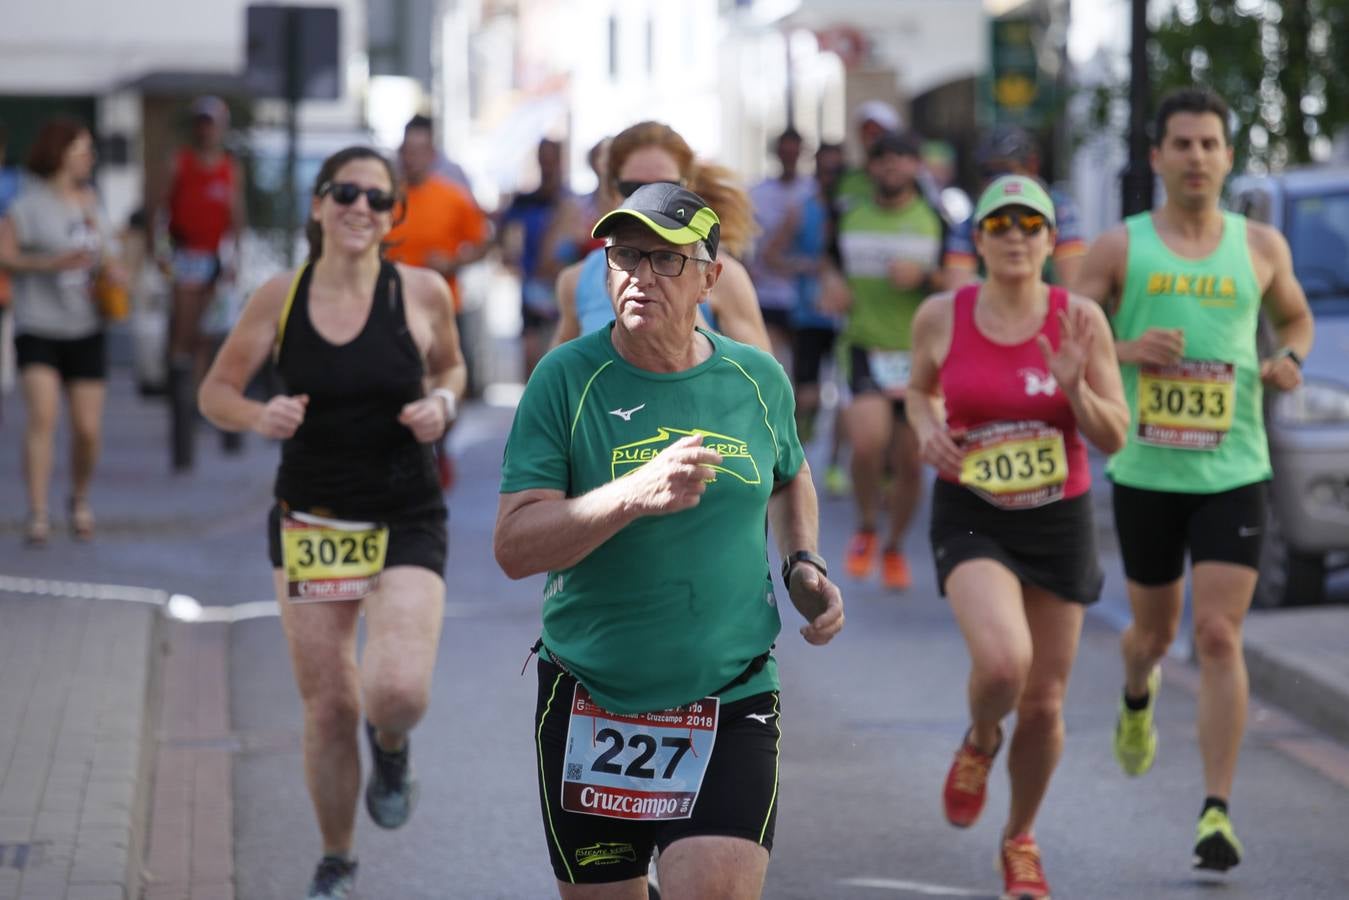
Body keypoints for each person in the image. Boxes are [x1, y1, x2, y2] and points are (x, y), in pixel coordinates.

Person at [495, 182, 843, 900]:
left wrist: (802, 560)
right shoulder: (565, 380)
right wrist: (630, 494)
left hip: (730, 691)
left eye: (664, 259)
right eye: (624, 255)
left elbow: (788, 475)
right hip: (592, 696)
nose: (639, 275)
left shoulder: (756, 378)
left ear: (711, 278)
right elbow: (513, 547)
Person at [198, 146, 466, 900]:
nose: (360, 207)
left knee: (396, 692)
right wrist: (259, 412)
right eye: (344, 192)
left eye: (377, 199)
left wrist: (441, 404)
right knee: (329, 703)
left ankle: (391, 746)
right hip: (312, 519)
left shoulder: (421, 292)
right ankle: (337, 858)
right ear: (318, 205)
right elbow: (214, 391)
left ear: (393, 217)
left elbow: (451, 368)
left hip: (405, 510)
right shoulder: (279, 296)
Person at [1073, 86, 1314, 873]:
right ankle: (1136, 693)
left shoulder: (1259, 246)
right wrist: (1127, 348)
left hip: (1232, 468)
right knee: (1150, 635)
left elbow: (1296, 319)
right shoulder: (1120, 245)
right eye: (1181, 144)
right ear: (1157, 157)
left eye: (1209, 144)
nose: (1196, 158)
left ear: (1228, 155)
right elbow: (1068, 323)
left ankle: (1216, 811)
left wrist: (1289, 362)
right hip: (1146, 468)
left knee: (1216, 634)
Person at [907, 175, 1128, 899]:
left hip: (1056, 516)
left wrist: (1074, 386)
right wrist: (927, 428)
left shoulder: (1078, 318)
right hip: (972, 508)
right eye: (996, 223)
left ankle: (1019, 837)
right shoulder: (942, 314)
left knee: (1043, 702)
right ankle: (978, 739)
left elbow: (1114, 435)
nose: (1011, 236)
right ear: (977, 240)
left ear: (1046, 239)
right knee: (1004, 667)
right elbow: (917, 390)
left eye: (1026, 224)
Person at [0, 116, 123, 545]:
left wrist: (115, 272)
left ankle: (79, 497)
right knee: (42, 417)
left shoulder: (92, 202)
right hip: (38, 326)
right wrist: (50, 264)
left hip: (87, 326)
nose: (90, 157)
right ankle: (37, 512)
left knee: (87, 429)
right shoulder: (27, 205)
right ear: (60, 153)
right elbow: (5, 256)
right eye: (82, 149)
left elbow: (109, 257)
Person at [828, 130, 943, 590]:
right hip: (864, 347)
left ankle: (894, 545)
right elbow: (828, 261)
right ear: (871, 168)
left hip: (919, 352)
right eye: (882, 159)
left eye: (901, 158)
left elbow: (961, 279)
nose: (892, 167)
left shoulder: (936, 218)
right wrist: (830, 282)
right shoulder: (850, 216)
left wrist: (925, 276)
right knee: (867, 442)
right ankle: (866, 525)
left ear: (916, 166)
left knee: (912, 462)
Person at [551, 120, 771, 352]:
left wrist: (687, 321)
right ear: (610, 190)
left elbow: (761, 380)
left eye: (667, 187)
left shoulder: (722, 277)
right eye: (633, 188)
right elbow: (556, 379)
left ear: (689, 189)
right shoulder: (577, 281)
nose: (651, 200)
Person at [385, 114, 488, 486]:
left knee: (443, 380)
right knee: (401, 383)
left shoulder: (453, 197)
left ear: (432, 154)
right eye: (406, 150)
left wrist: (453, 261)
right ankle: (407, 452)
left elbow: (481, 243)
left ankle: (440, 447)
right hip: (391, 308)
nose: (411, 158)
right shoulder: (385, 197)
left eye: (419, 151)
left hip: (444, 306)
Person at [156, 95, 245, 471]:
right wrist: (158, 254)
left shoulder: (229, 168)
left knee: (212, 335)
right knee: (185, 333)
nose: (206, 129)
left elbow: (236, 214)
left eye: (212, 123)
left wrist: (236, 256)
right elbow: (159, 208)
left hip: (216, 259)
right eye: (201, 122)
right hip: (186, 255)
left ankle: (201, 402)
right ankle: (182, 397)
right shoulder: (180, 163)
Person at [942, 125, 1086, 290]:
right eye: (987, 173)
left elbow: (1073, 284)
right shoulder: (974, 215)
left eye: (1032, 224)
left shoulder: (1060, 209)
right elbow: (956, 289)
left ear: (1032, 167)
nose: (1014, 236)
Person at [499, 137, 575, 377]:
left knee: (561, 351)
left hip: (561, 287)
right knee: (531, 352)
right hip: (532, 287)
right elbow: (506, 239)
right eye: (544, 158)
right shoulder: (525, 201)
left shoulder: (570, 202)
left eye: (552, 158)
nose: (548, 164)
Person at [749, 128, 816, 360]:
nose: (790, 157)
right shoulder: (757, 192)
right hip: (766, 294)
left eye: (794, 152)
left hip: (805, 297)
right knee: (773, 362)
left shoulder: (813, 191)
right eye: (785, 152)